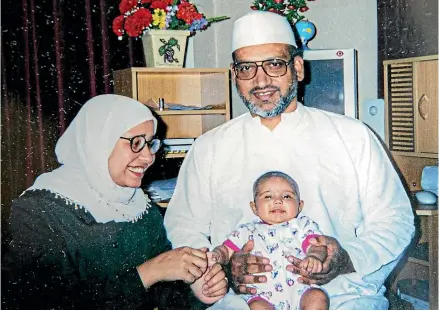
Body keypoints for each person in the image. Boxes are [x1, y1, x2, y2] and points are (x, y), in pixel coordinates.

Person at [164, 10, 415, 309]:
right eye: (246, 68)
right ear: (234, 75)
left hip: (341, 295)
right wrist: (219, 271)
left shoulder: (352, 136)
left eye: (274, 64)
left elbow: (395, 221)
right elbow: (184, 225)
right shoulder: (209, 147)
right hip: (245, 300)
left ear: (297, 68)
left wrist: (347, 258)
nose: (260, 81)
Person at [1, 94, 227, 309]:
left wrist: (198, 289)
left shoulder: (141, 207)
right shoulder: (36, 212)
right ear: (100, 142)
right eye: (136, 142)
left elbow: (161, 291)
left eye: (150, 143)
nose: (148, 157)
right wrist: (148, 272)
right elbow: (48, 303)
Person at [209, 171, 329, 310]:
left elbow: (317, 245)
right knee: (257, 307)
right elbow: (227, 250)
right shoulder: (247, 230)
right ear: (254, 207)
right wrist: (217, 255)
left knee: (317, 297)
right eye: (268, 196)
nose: (278, 201)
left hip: (302, 288)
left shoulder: (302, 225)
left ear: (300, 206)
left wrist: (314, 256)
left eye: (287, 196)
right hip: (263, 294)